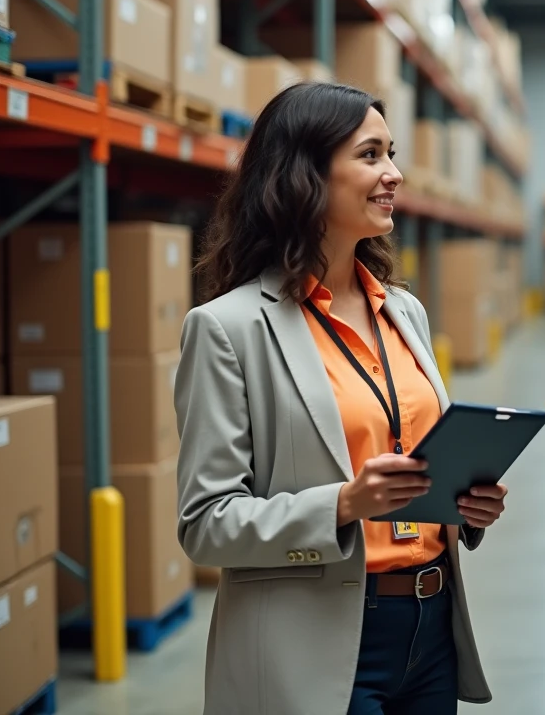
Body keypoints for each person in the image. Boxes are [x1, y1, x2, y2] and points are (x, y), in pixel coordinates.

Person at [174, 81, 506, 715]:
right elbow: (205, 525)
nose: (395, 174)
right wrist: (345, 504)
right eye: (371, 155)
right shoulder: (229, 328)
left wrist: (464, 505)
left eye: (392, 153)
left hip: (431, 630)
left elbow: (413, 453)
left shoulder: (403, 311)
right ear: (306, 174)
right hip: (316, 645)